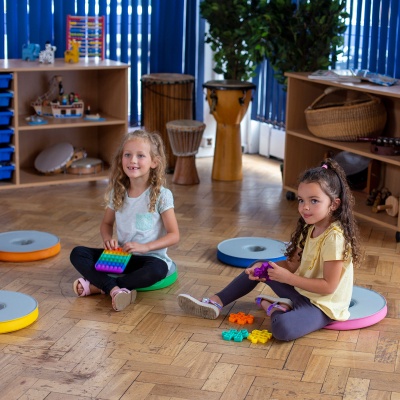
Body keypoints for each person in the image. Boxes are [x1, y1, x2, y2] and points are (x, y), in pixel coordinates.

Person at [178, 158, 361, 341]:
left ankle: (274, 307)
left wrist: (288, 278)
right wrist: (264, 270)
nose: (305, 207)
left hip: (323, 306)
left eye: (314, 201)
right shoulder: (309, 228)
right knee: (261, 265)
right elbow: (291, 265)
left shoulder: (335, 238)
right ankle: (215, 302)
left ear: (334, 204)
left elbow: (329, 287)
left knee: (282, 329)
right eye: (301, 200)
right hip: (303, 294)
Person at [70, 130, 180, 311]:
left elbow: (174, 235)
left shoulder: (162, 195)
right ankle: (114, 288)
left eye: (140, 155)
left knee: (158, 270)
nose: (132, 160)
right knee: (78, 253)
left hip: (150, 260)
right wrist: (108, 239)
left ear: (154, 162)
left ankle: (99, 286)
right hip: (121, 258)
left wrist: (145, 247)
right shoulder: (117, 192)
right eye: (127, 155)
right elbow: (106, 224)